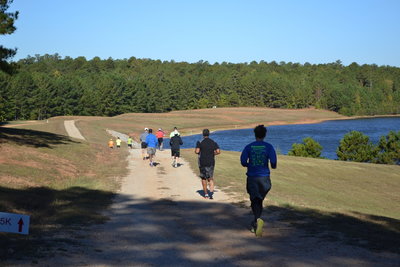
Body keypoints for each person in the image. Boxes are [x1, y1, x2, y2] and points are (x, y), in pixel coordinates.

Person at [240, 125, 277, 237]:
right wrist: (272, 166)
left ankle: (257, 220)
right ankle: (257, 220)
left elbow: (242, 161)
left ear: (255, 134)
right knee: (259, 199)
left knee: (255, 200)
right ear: (264, 135)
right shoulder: (269, 147)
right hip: (265, 179)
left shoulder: (248, 147)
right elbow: (274, 162)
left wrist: (249, 164)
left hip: (252, 177)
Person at [195, 129, 220, 199]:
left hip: (202, 162)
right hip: (211, 162)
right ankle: (211, 193)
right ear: (209, 134)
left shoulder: (200, 142)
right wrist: (213, 154)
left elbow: (197, 151)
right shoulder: (213, 142)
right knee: (210, 178)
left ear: (203, 134)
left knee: (203, 178)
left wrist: (197, 151)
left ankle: (206, 194)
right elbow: (218, 151)